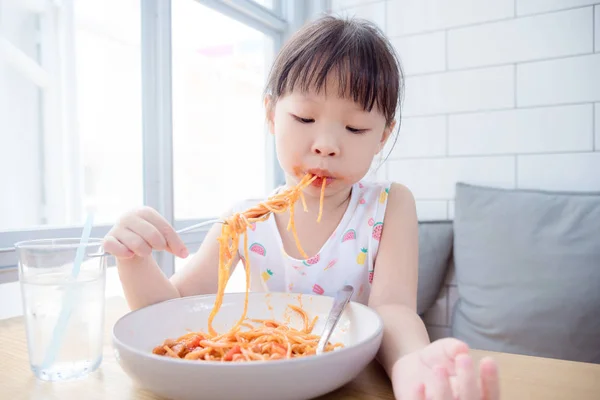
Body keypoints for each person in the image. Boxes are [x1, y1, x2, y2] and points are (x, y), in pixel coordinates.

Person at [103, 15, 500, 400]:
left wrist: (411, 362)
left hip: (350, 385)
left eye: (356, 128)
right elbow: (170, 309)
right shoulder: (244, 221)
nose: (326, 144)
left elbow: (393, 308)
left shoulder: (388, 205)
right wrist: (134, 259)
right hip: (258, 384)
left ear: (383, 135)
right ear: (271, 114)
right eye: (305, 117)